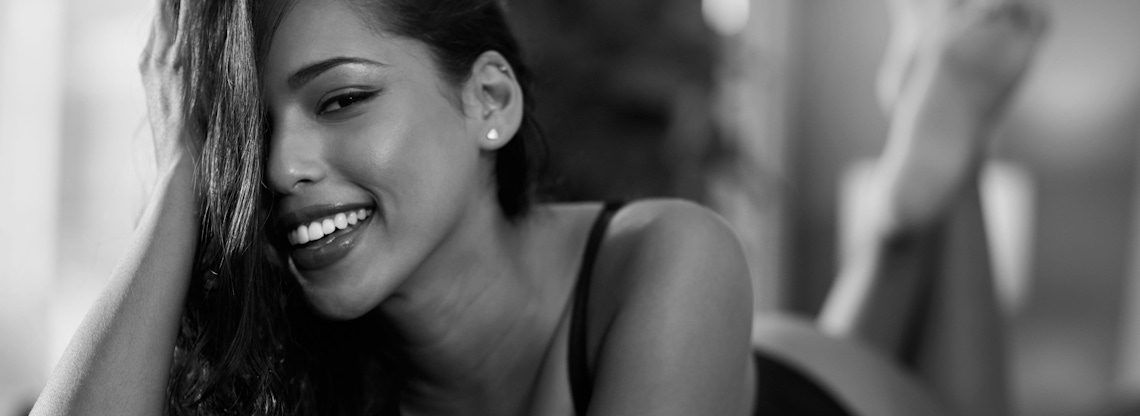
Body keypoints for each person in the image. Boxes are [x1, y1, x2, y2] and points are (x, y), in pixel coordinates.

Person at [28, 0, 1044, 415]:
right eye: (257, 129)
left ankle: (925, 188)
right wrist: (200, 145)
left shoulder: (670, 255)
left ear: (491, 102)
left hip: (816, 392)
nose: (286, 164)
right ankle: (925, 174)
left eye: (343, 98)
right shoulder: (312, 361)